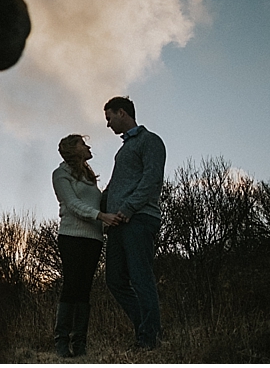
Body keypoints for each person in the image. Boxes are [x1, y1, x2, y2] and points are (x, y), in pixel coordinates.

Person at [100, 96, 166, 351]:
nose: (108, 125)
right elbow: (114, 187)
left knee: (141, 278)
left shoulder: (150, 141)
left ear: (122, 113)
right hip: (118, 223)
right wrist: (97, 211)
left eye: (109, 118)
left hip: (139, 219)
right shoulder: (123, 150)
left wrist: (127, 209)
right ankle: (148, 329)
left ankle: (149, 339)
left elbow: (152, 180)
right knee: (114, 280)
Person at [51, 134, 120, 358]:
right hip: (71, 236)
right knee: (71, 285)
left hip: (94, 239)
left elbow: (93, 201)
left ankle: (79, 344)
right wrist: (101, 216)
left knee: (84, 290)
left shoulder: (89, 177)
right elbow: (72, 204)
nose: (88, 146)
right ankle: (61, 342)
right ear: (73, 149)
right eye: (83, 143)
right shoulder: (60, 174)